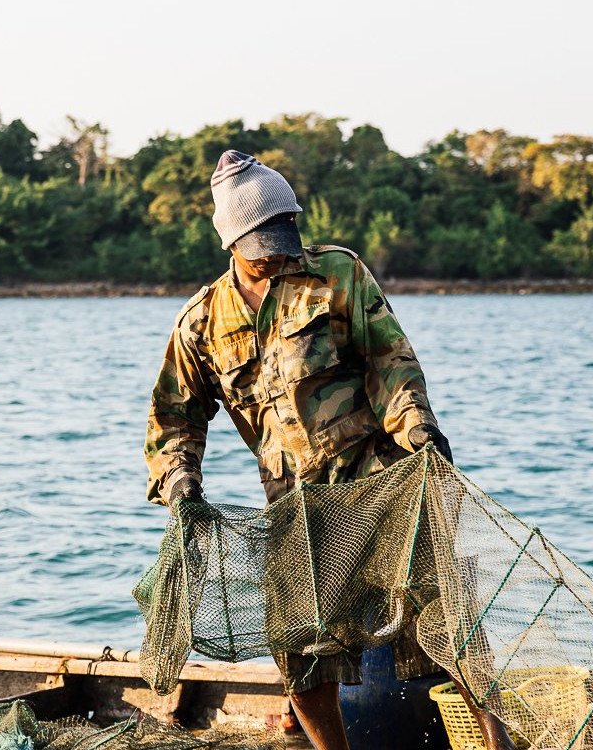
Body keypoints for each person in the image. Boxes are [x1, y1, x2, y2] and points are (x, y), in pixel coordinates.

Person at [144, 151, 515, 750]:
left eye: (285, 232)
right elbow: (174, 418)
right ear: (233, 242)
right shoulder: (201, 322)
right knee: (301, 650)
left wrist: (420, 431)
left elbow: (390, 363)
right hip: (296, 506)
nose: (280, 248)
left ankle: (497, 745)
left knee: (448, 623)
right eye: (265, 239)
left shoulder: (338, 274)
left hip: (383, 485)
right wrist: (180, 482)